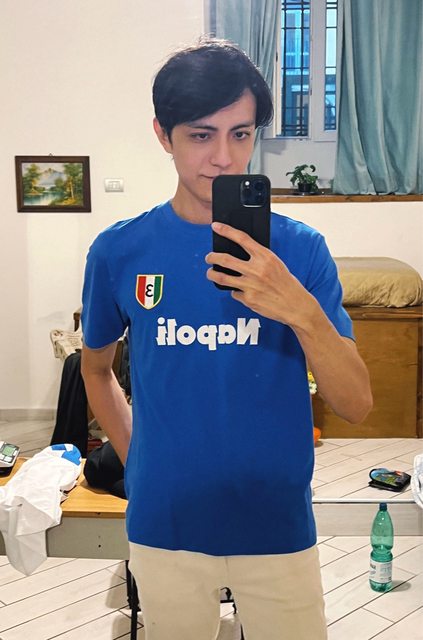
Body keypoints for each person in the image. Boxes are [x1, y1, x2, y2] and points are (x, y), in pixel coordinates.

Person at [81, 38, 372, 640]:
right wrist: (140, 461)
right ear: (163, 135)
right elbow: (95, 369)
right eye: (201, 135)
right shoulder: (119, 251)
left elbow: (356, 403)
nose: (223, 157)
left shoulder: (299, 250)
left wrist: (300, 310)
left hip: (276, 520)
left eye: (241, 134)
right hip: (166, 520)